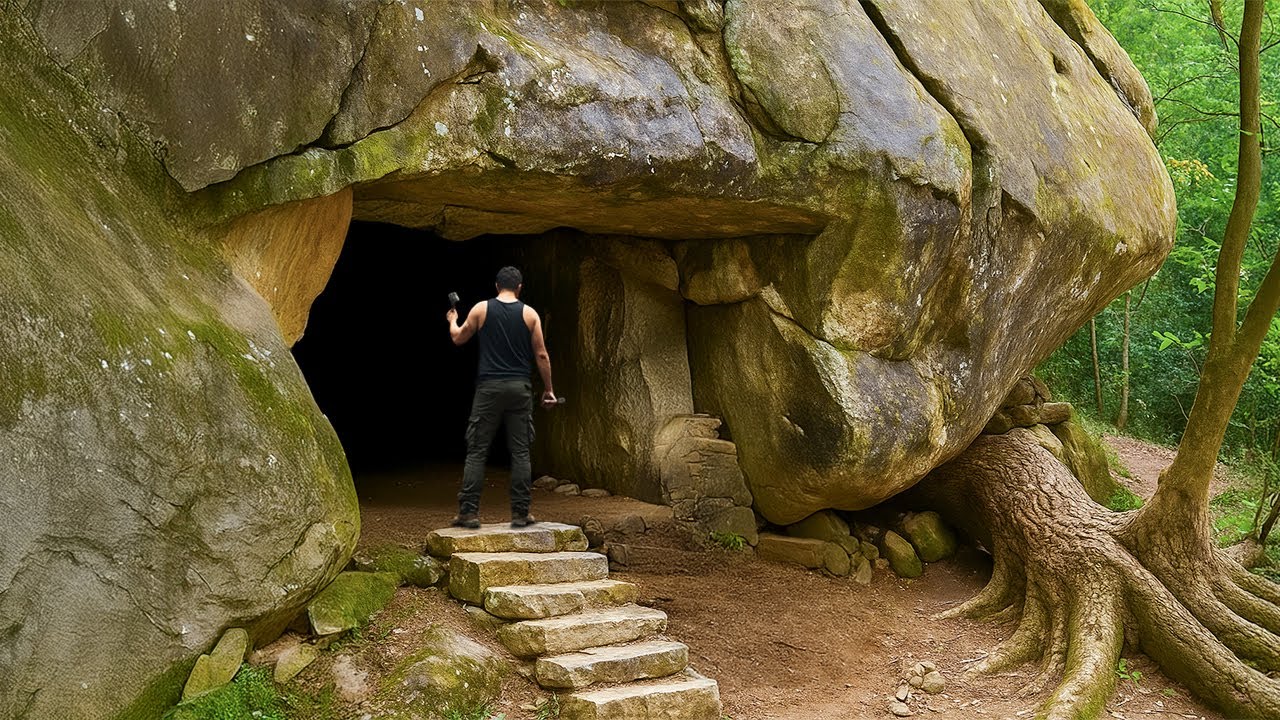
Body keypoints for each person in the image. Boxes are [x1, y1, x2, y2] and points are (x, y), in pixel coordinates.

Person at [446, 266, 556, 529]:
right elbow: (541, 354)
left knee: (477, 450)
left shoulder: (481, 309)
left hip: (489, 388)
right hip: (519, 389)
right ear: (520, 287)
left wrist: (452, 319)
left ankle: (469, 513)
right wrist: (549, 389)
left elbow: (459, 338)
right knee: (520, 452)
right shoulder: (530, 314)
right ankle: (521, 513)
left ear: (496, 286)